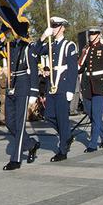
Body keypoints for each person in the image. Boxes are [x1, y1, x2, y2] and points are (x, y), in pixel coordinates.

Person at [0, 31, 41, 170]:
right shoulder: (10, 46)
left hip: (23, 85)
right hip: (11, 85)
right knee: (9, 122)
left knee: (20, 124)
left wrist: (34, 91)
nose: (14, 33)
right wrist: (2, 37)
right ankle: (31, 144)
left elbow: (33, 69)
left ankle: (16, 159)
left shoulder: (28, 47)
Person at [39, 16, 78, 162]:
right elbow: (35, 51)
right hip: (52, 86)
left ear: (62, 28)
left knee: (62, 119)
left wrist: (70, 89)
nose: (53, 29)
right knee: (48, 116)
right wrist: (43, 36)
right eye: (52, 26)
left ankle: (62, 151)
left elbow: (73, 69)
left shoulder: (69, 45)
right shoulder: (50, 44)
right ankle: (67, 136)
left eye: (55, 26)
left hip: (62, 86)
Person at [78, 28, 103, 153]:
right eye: (90, 34)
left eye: (93, 34)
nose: (91, 36)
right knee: (91, 114)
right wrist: (83, 54)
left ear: (98, 35)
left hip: (99, 86)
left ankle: (93, 144)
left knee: (97, 116)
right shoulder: (86, 50)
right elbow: (80, 68)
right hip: (87, 86)